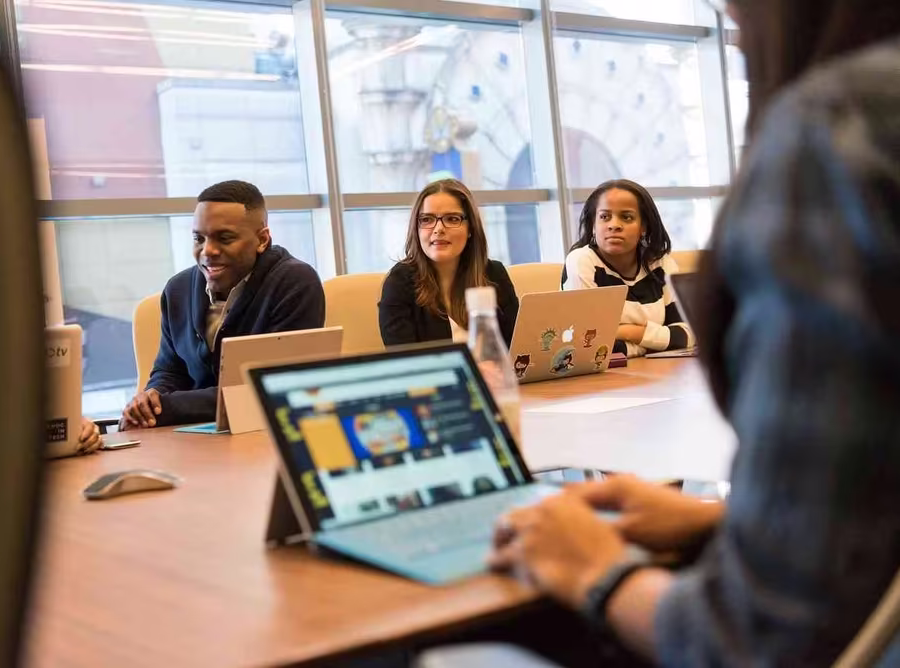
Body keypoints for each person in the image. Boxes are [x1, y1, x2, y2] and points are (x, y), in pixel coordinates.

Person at [491, 0, 900, 665]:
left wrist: (597, 568)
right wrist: (726, 522)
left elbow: (758, 637)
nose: (731, 17)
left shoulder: (838, 131)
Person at [121, 180, 324, 429]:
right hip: (191, 435)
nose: (208, 250)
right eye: (199, 238)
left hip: (263, 433)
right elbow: (170, 371)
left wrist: (166, 407)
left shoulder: (294, 282)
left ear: (262, 240)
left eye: (224, 238)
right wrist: (149, 400)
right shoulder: (178, 289)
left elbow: (267, 390)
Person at [561, 180, 693, 358]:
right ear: (593, 225)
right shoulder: (581, 261)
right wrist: (653, 344)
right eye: (604, 217)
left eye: (627, 217)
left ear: (643, 227)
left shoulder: (661, 264)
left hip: (658, 374)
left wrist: (627, 332)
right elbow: (588, 344)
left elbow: (688, 334)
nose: (614, 225)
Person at [378, 179, 518, 347]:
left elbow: (518, 349)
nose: (438, 229)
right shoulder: (399, 282)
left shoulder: (494, 274)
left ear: (470, 229)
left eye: (452, 219)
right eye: (427, 219)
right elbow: (406, 365)